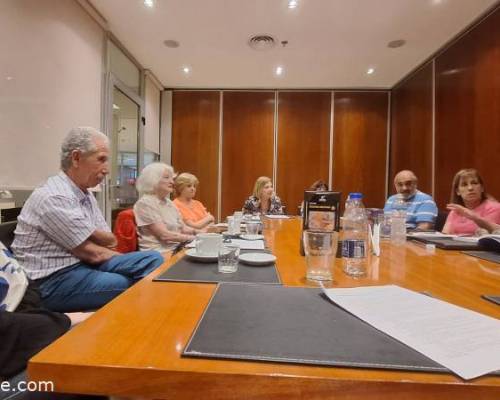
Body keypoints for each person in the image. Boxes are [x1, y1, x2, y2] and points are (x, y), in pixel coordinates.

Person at [12, 127, 164, 313]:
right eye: (101, 159)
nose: (107, 170)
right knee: (127, 281)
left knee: (152, 259)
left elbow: (110, 240)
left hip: (82, 265)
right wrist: (95, 236)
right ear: (76, 158)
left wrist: (90, 233)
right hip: (51, 280)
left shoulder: (85, 193)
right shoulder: (54, 196)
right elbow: (93, 253)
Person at [134, 163, 198, 252]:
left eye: (172, 178)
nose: (172, 182)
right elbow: (165, 235)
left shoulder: (169, 203)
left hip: (176, 248)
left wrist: (202, 233)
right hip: (159, 253)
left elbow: (183, 228)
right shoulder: (145, 203)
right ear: (153, 180)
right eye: (166, 177)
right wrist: (195, 238)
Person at [442, 168, 500, 235]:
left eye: (474, 183)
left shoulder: (495, 208)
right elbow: (445, 236)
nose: (470, 188)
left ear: (482, 188)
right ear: (458, 191)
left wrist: (474, 217)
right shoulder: (455, 211)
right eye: (464, 185)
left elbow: (492, 232)